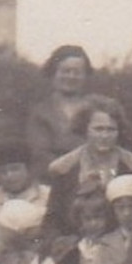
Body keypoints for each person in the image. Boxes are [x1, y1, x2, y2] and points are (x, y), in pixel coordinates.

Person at [46, 96, 132, 238]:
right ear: (85, 129)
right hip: (75, 241)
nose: (104, 135)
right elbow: (53, 217)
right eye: (98, 129)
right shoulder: (64, 168)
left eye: (111, 130)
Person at [26, 44, 96, 173]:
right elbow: (39, 155)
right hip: (53, 179)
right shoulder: (41, 112)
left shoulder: (97, 109)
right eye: (65, 71)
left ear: (85, 76)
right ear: (53, 73)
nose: (71, 76)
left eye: (77, 72)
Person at [0, 138, 49, 220]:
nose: (9, 176)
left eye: (15, 169)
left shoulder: (47, 196)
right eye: (3, 171)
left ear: (28, 169)